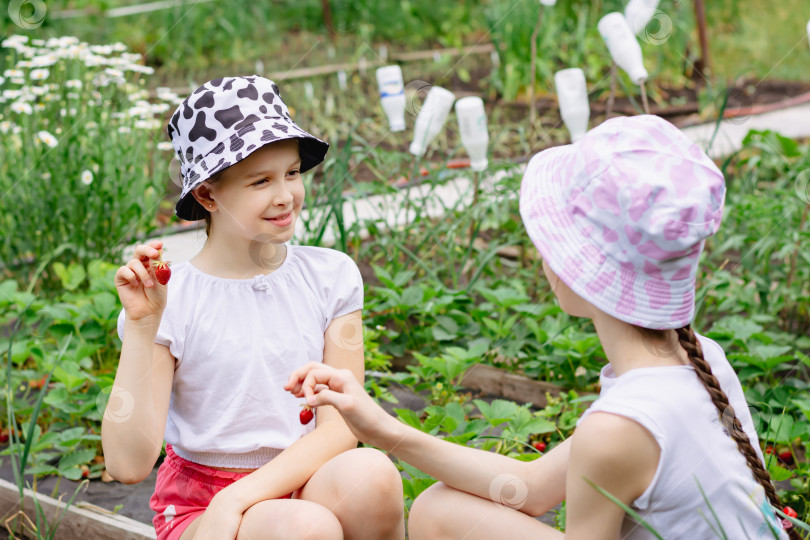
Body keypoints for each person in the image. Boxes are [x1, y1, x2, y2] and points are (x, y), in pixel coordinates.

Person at [285, 115, 796, 539]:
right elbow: (529, 487)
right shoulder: (699, 357)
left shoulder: (617, 430)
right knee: (440, 510)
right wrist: (384, 427)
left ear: (580, 267)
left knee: (443, 515)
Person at [103, 76, 405, 540]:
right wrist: (144, 326)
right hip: (201, 508)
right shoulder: (173, 299)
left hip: (298, 480)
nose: (285, 194)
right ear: (207, 195)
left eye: (291, 172)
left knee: (373, 474)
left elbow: (341, 427)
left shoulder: (330, 277)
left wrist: (239, 497)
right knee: (307, 528)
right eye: (261, 180)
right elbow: (127, 463)